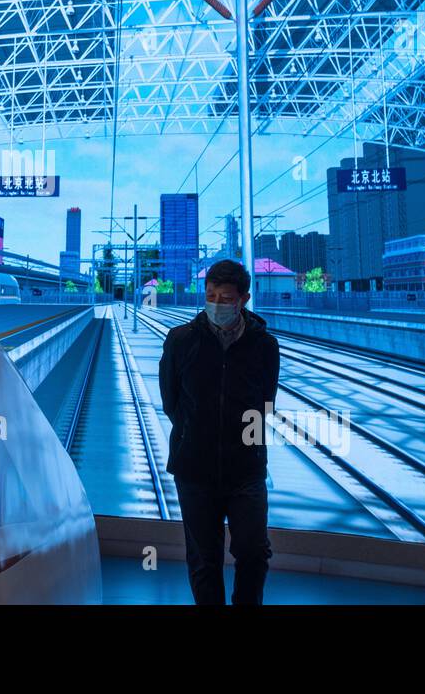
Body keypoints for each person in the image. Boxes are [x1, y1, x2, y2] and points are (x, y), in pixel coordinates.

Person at [159, 259, 279, 605]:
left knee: (254, 553)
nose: (216, 304)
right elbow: (172, 401)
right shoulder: (182, 341)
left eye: (226, 298)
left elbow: (265, 403)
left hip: (246, 469)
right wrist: (192, 435)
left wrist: (251, 449)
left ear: (244, 299)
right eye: (210, 296)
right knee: (204, 559)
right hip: (194, 469)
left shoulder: (264, 346)